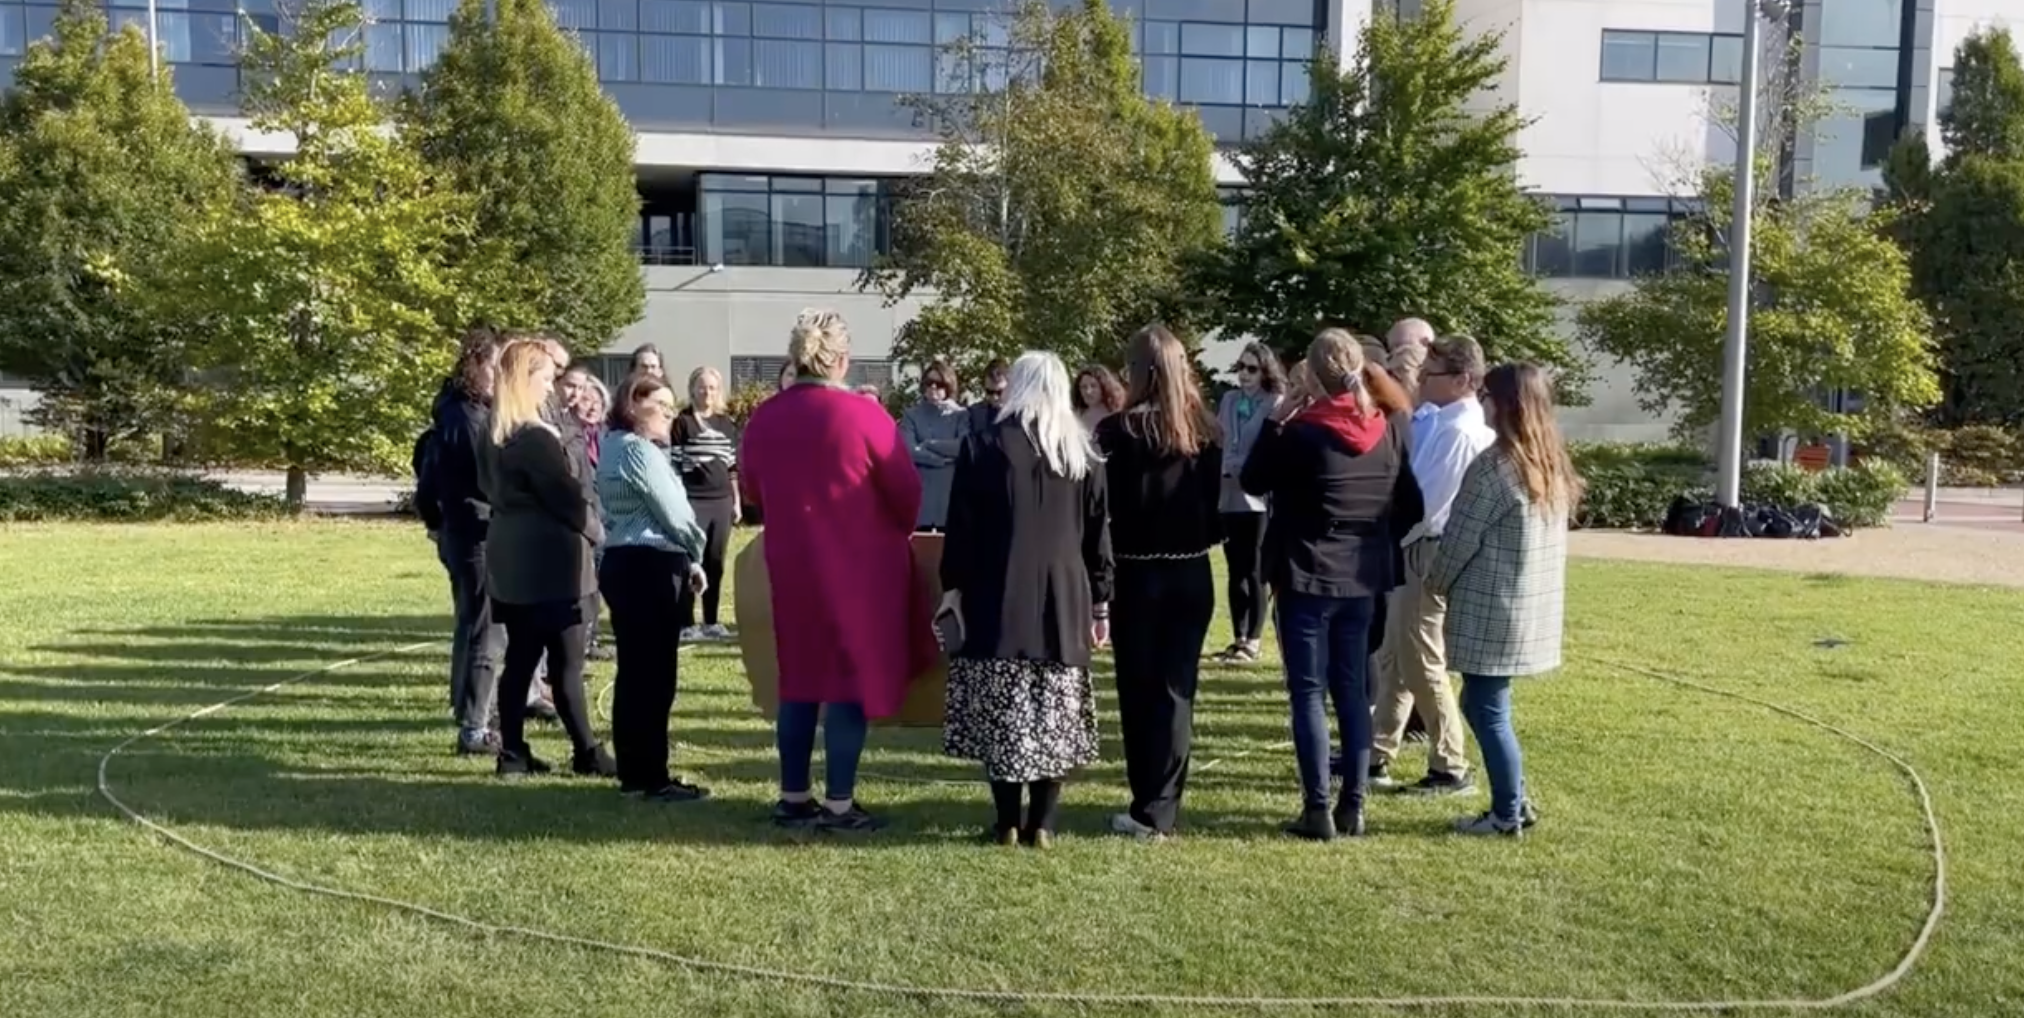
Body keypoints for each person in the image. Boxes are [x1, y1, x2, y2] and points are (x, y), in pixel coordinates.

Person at [739, 310, 933, 834]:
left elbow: (752, 490)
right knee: (847, 683)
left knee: (798, 681)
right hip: (860, 570)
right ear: (843, 360)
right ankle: (841, 803)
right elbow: (907, 495)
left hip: (793, 566)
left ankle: (793, 796)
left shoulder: (764, 419)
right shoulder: (865, 417)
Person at [1240, 329, 1423, 840]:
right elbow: (1413, 506)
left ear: (1312, 377)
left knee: (1307, 693)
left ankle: (1317, 808)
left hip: (1305, 571)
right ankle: (1354, 805)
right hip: (1362, 575)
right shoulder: (1385, 427)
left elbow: (1253, 480)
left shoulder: (1301, 431)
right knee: (1350, 690)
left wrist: (1278, 418)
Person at [940, 352, 1113, 849]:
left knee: (1004, 715)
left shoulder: (983, 445)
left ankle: (1006, 823)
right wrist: (1101, 603)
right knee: (1053, 716)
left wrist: (953, 585)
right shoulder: (1083, 452)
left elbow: (962, 530)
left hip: (998, 595)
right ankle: (1044, 822)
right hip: (1065, 597)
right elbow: (1097, 537)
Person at [1428, 363, 1578, 838]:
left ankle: (1507, 812)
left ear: (1506, 404)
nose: (1480, 402)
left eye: (1486, 394)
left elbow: (1459, 539)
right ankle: (1514, 801)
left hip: (1492, 607)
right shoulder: (1547, 461)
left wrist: (1434, 580)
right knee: (1484, 705)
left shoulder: (1496, 466)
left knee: (1486, 710)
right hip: (1526, 607)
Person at [1095, 324, 1223, 840]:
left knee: (1138, 690)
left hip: (1136, 570)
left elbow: (1102, 509)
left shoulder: (1115, 431)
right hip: (1191, 571)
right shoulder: (1206, 429)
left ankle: (1147, 802)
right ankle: (1161, 805)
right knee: (1177, 692)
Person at [483, 339, 614, 779]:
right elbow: (568, 500)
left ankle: (514, 752)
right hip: (549, 561)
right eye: (545, 378)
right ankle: (587, 751)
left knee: (521, 656)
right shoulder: (535, 439)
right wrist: (601, 535)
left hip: (511, 556)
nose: (552, 387)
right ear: (526, 381)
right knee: (567, 660)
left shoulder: (496, 431)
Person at [1370, 336, 1493, 796]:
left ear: (1462, 380)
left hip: (1425, 549)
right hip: (1411, 546)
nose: (1420, 381)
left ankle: (1450, 764)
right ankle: (1377, 751)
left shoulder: (1460, 432)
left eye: (1430, 374)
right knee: (1394, 657)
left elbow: (1424, 505)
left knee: (1421, 658)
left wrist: (1381, 534)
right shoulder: (1437, 420)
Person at [596, 372, 711, 802]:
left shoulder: (610, 447)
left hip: (624, 562)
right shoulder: (639, 452)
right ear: (632, 406)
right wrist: (695, 551)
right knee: (655, 677)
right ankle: (653, 777)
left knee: (634, 673)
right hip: (651, 564)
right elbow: (676, 513)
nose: (668, 413)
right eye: (658, 405)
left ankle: (634, 772)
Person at [419, 327, 506, 756]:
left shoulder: (457, 410)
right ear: (478, 364)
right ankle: (475, 726)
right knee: (487, 631)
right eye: (497, 365)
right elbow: (484, 480)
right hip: (476, 531)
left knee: (470, 624)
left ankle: (465, 706)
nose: (502, 375)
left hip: (461, 528)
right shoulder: (465, 418)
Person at [1213, 342, 1285, 663]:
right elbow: (1221, 438)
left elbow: (1269, 446)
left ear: (1265, 371)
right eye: (1240, 367)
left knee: (1255, 569)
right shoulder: (1229, 399)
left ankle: (1254, 639)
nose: (1244, 374)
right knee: (1235, 568)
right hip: (1228, 493)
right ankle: (1238, 636)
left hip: (1257, 497)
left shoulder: (1274, 401)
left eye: (1252, 368)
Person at [672, 366, 741, 641]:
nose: (707, 392)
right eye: (702, 386)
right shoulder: (682, 422)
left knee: (715, 561)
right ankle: (687, 622)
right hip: (693, 501)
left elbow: (732, 466)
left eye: (712, 387)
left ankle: (711, 621)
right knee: (691, 561)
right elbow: (675, 464)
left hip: (721, 501)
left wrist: (736, 501)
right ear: (692, 389)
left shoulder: (727, 424)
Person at [899, 360, 968, 532]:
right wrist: (942, 460)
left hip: (950, 498)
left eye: (939, 384)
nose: (933, 388)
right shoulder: (911, 415)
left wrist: (929, 444)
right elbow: (909, 450)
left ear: (949, 386)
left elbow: (962, 447)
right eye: (929, 383)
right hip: (921, 498)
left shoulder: (961, 415)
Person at [1072, 364, 1126, 433]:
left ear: (1104, 387)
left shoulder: (1117, 417)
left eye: (1093, 386)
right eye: (1084, 387)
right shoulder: (1075, 418)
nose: (1088, 391)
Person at [966, 358, 1010, 433]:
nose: (994, 397)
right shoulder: (974, 414)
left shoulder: (1021, 415)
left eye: (999, 392)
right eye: (989, 392)